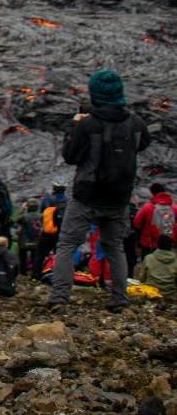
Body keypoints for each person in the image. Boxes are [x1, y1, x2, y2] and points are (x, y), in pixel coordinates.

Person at [48, 70, 150, 311]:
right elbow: (143, 144)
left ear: (95, 94)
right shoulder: (135, 122)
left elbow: (70, 156)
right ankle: (119, 299)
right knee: (114, 246)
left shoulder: (88, 124)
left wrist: (73, 127)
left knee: (67, 244)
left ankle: (59, 298)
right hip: (119, 197)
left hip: (87, 195)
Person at [133, 184, 175, 259]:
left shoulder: (147, 207)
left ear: (152, 193)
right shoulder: (174, 207)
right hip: (168, 243)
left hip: (149, 243)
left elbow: (136, 223)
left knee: (148, 264)